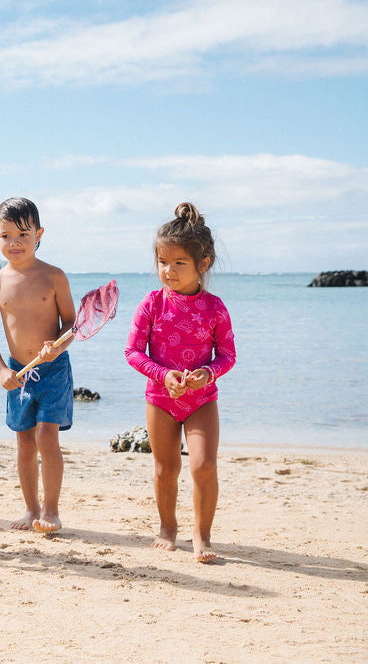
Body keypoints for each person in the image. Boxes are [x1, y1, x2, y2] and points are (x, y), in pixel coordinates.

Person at [125, 202, 236, 563]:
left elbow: (227, 356)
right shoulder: (152, 304)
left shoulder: (215, 308)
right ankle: (167, 528)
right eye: (162, 262)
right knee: (165, 469)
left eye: (179, 263)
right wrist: (162, 374)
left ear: (203, 264)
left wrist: (209, 373)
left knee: (203, 465)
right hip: (160, 398)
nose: (168, 271)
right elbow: (132, 352)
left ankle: (202, 535)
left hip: (202, 400)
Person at [0, 198, 76, 534]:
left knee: (47, 437)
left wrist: (58, 344)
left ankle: (51, 510)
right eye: (6, 235)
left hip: (54, 370)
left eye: (23, 233)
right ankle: (31, 509)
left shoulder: (54, 276)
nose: (15, 242)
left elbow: (71, 324)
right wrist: (0, 370)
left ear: (39, 234)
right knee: (23, 442)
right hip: (18, 371)